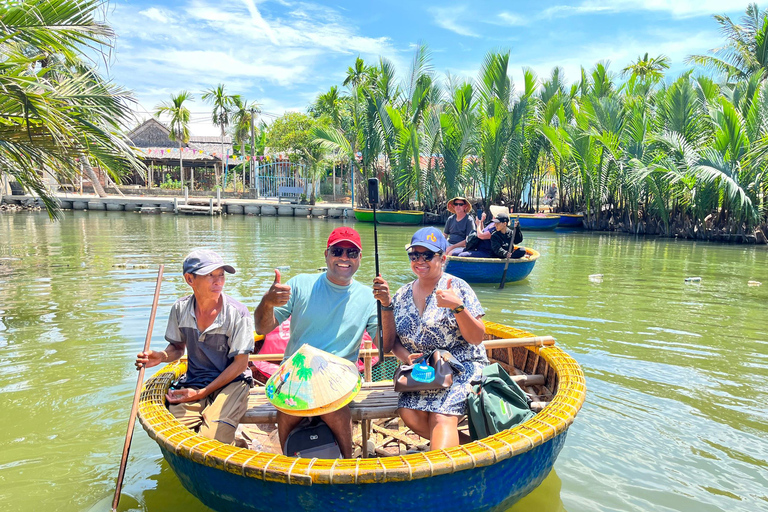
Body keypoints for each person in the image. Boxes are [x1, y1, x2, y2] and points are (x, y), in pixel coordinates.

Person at [254, 227, 378, 458]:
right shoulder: (300, 284)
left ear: (360, 258)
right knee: (288, 411)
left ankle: (346, 463)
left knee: (333, 410)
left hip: (340, 376)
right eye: (338, 251)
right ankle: (289, 462)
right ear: (326, 254)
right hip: (296, 371)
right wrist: (268, 302)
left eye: (351, 253)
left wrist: (387, 305)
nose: (344, 257)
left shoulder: (368, 297)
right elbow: (262, 328)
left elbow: (385, 342)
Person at [372, 227, 487, 450]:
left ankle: (443, 477)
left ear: (442, 258)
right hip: (423, 372)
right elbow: (390, 344)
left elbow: (476, 337)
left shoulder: (458, 287)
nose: (420, 260)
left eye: (428, 255)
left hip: (461, 367)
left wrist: (457, 307)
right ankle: (474, 448)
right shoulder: (402, 294)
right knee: (409, 414)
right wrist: (406, 356)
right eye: (415, 255)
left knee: (441, 416)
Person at [135, 250, 254, 444]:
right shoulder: (180, 309)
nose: (219, 282)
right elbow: (177, 348)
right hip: (195, 379)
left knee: (212, 438)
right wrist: (162, 356)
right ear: (190, 279)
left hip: (232, 382)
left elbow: (240, 365)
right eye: (210, 275)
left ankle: (236, 444)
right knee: (176, 435)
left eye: (221, 275)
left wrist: (202, 393)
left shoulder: (237, 313)